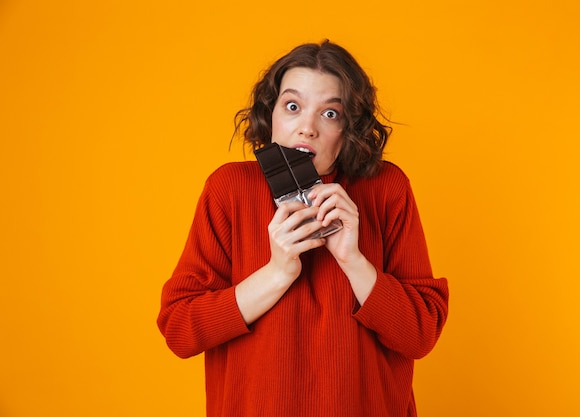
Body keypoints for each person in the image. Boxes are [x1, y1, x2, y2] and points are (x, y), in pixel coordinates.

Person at [157, 40, 449, 417]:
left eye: (330, 113)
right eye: (292, 106)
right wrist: (277, 273)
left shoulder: (386, 188)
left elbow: (419, 336)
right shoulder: (230, 188)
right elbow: (180, 330)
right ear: (271, 114)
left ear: (350, 127)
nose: (307, 128)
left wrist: (352, 259)